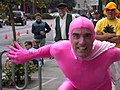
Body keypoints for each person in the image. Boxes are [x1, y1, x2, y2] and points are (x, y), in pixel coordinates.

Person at [6, 16, 120, 90]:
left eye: (87, 36)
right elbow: (49, 50)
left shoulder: (107, 53)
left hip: (100, 87)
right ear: (69, 37)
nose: (82, 42)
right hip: (73, 85)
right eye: (76, 36)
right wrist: (28, 55)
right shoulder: (61, 49)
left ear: (94, 37)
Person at [94, 2, 120, 90]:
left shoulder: (119, 23)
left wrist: (103, 36)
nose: (110, 12)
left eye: (112, 10)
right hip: (102, 53)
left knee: (117, 78)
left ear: (115, 11)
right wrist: (111, 35)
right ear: (105, 11)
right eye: (108, 10)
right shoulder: (100, 22)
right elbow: (95, 37)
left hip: (116, 55)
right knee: (102, 77)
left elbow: (118, 39)